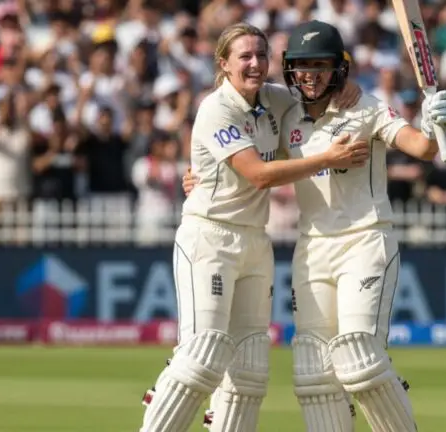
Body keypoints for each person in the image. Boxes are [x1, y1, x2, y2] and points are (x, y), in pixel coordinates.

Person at [184, 20, 446, 432]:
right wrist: (199, 176)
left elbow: (421, 147)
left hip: (365, 240)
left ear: (339, 68)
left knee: (359, 360)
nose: (311, 75)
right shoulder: (285, 113)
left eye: (321, 65)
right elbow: (256, 159)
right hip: (312, 249)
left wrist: (434, 124)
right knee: (314, 372)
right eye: (303, 66)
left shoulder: (365, 106)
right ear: (290, 69)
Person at [138, 22, 368, 432]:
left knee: (249, 370)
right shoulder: (216, 108)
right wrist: (327, 159)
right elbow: (258, 175)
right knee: (202, 355)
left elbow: (317, 94)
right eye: (244, 56)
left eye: (261, 55)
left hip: (255, 240)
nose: (255, 64)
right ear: (223, 64)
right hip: (210, 236)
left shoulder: (276, 98)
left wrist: (347, 88)